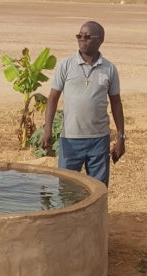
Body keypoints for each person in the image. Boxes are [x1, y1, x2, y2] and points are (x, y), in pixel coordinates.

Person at [41, 21, 125, 187]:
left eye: (87, 36)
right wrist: (47, 129)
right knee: (66, 187)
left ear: (100, 40)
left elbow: (116, 103)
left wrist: (121, 137)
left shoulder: (109, 69)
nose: (82, 39)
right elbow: (53, 98)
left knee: (98, 190)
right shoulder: (66, 65)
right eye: (79, 36)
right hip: (70, 139)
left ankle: (95, 215)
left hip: (99, 140)